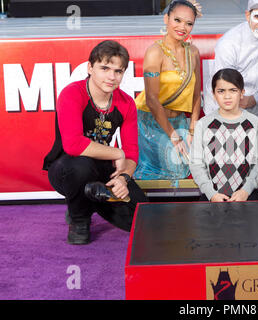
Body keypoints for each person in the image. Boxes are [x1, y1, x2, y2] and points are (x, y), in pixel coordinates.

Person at [43, 40, 148, 245]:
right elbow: (73, 145)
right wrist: (117, 154)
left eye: (118, 71)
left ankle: (95, 194)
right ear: (90, 67)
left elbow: (132, 152)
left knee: (142, 217)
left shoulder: (126, 103)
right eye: (105, 68)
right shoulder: (72, 93)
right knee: (81, 167)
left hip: (103, 171)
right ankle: (79, 218)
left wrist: (123, 179)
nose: (111, 76)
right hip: (66, 167)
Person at [133, 0, 202, 180]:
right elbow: (152, 100)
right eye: (177, 20)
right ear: (166, 18)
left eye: (189, 23)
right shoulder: (155, 52)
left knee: (198, 162)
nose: (182, 27)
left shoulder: (193, 52)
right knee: (176, 167)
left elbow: (196, 93)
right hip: (152, 122)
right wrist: (173, 136)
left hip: (180, 122)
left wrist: (193, 128)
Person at [203, 0, 258, 128]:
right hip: (222, 106)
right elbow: (224, 92)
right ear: (247, 15)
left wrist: (257, 98)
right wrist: (251, 99)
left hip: (256, 102)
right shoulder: (229, 42)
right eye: (257, 17)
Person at [189, 68, 258, 202]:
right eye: (221, 91)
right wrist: (211, 194)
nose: (227, 96)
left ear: (242, 93)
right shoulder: (204, 124)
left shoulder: (254, 123)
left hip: (247, 195)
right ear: (214, 95)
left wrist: (245, 191)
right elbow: (196, 164)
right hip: (213, 196)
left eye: (233, 90)